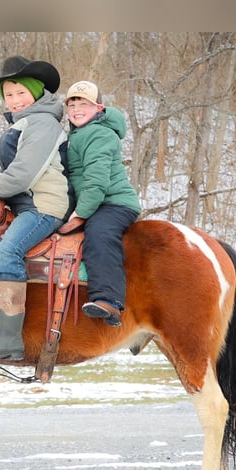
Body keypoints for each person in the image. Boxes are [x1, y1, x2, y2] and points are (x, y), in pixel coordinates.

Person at [0, 56, 71, 361]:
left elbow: (23, 175)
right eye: (8, 95)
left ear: (36, 93)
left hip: (43, 206)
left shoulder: (43, 123)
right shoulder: (28, 122)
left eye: (20, 93)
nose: (14, 100)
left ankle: (9, 340)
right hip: (25, 202)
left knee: (9, 251)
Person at [64, 80, 141, 327]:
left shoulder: (100, 134)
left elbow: (97, 183)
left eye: (83, 104)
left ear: (98, 108)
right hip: (95, 201)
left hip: (113, 203)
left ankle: (108, 301)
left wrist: (79, 214)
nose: (76, 109)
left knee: (98, 234)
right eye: (72, 104)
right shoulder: (77, 134)